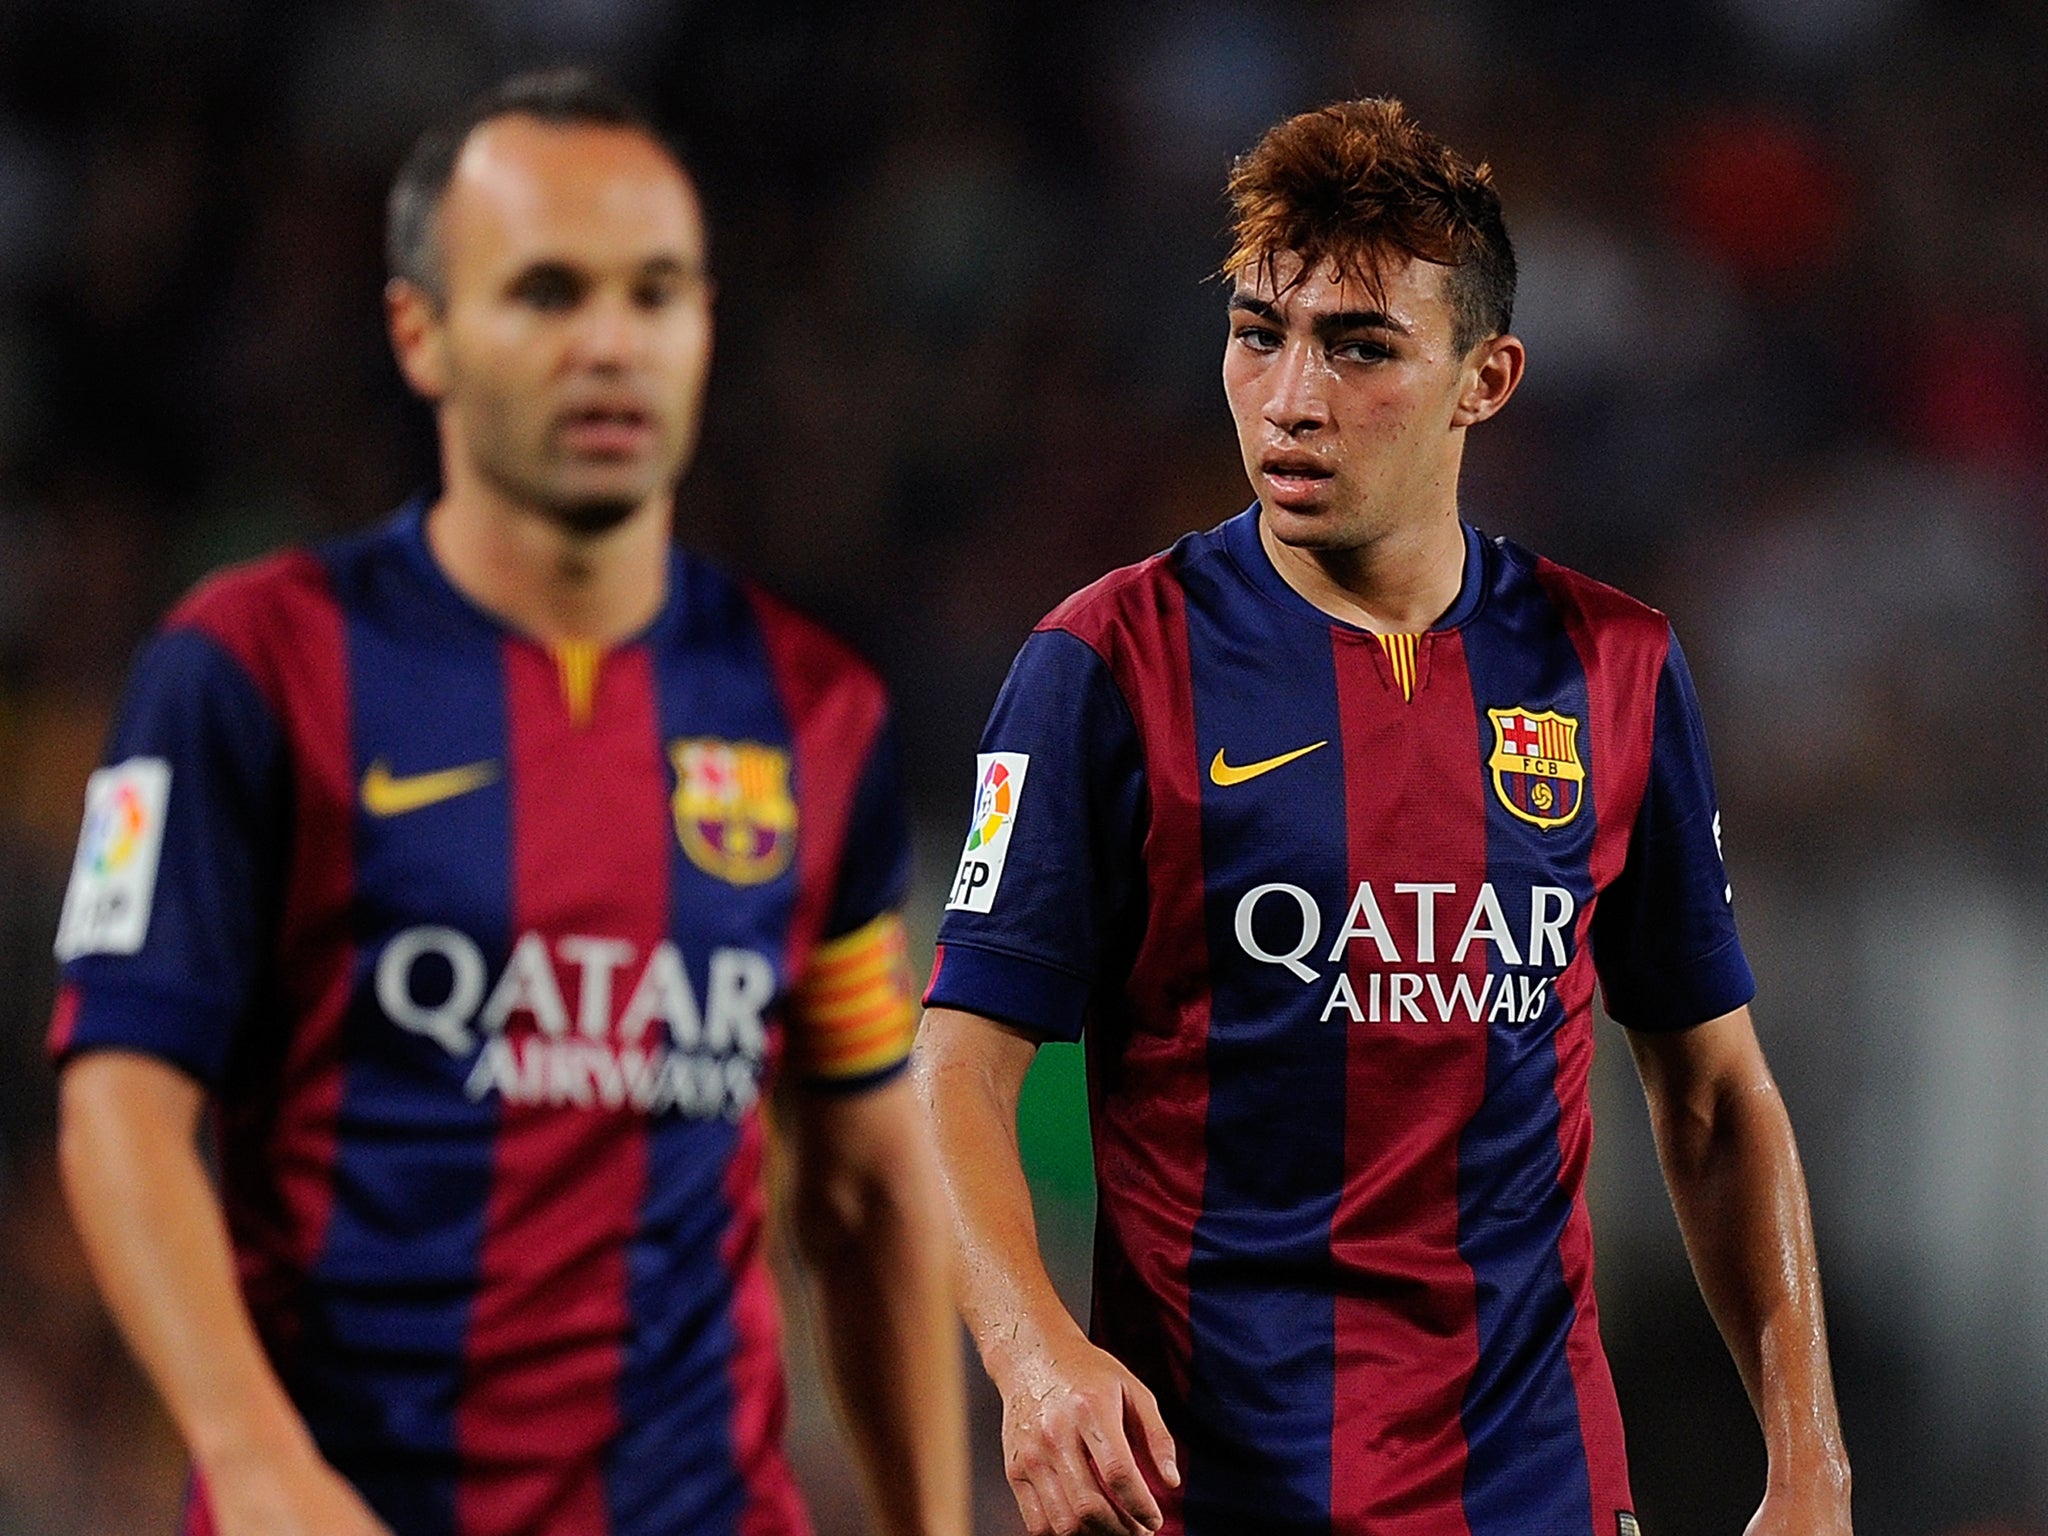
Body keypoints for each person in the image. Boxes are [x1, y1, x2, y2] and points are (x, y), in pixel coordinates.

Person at [49, 68, 967, 1536]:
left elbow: (864, 1186)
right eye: (547, 293)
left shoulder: (816, 713)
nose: (610, 344)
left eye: (654, 293)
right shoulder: (249, 670)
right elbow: (120, 1107)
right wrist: (255, 1455)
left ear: (705, 327)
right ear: (422, 334)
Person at [918, 98, 1851, 1536]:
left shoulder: (1612, 666)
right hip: (1209, 1494)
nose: (1292, 395)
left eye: (1360, 349)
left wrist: (1809, 1465)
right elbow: (954, 1074)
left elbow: (1718, 1098)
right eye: (1257, 333)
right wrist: (1035, 1356)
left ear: (1487, 378)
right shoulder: (1106, 666)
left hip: (1533, 1488)